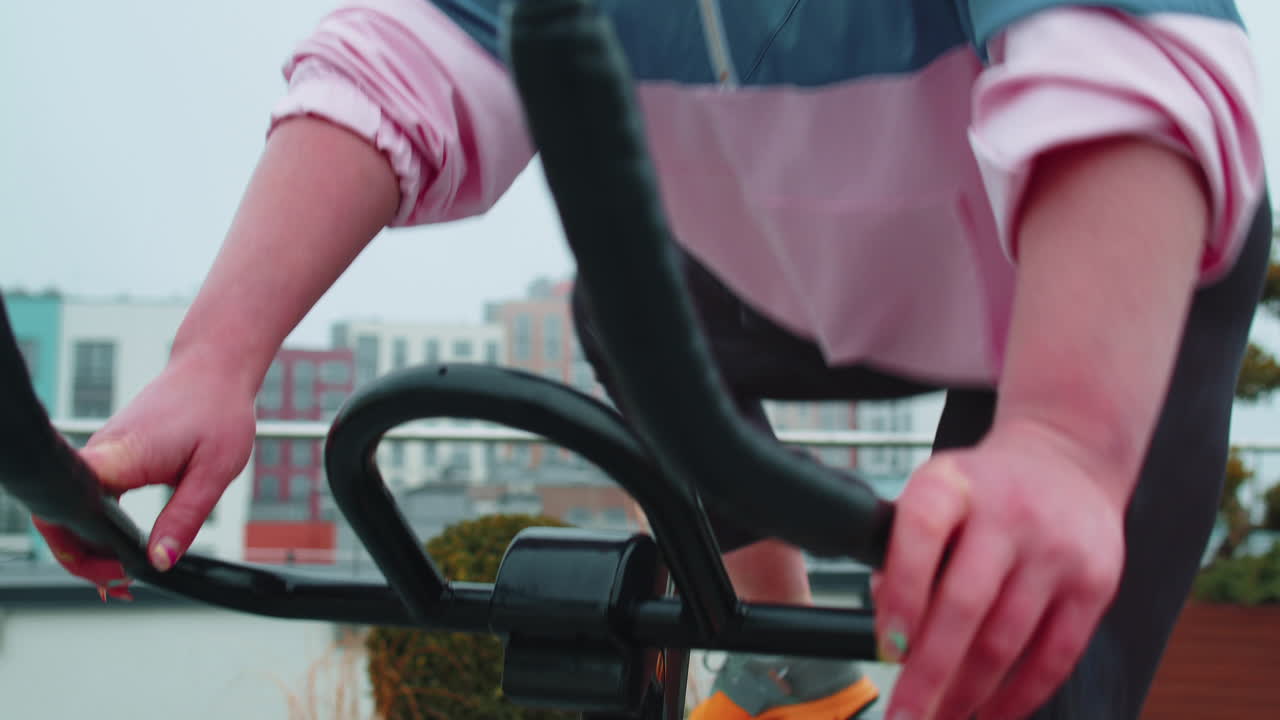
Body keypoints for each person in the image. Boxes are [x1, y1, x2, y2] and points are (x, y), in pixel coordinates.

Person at [33, 1, 1269, 719]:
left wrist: (1061, 440)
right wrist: (214, 354)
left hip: (1085, 279)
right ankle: (788, 661)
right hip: (783, 270)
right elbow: (409, 57)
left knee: (1018, 660)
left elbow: (1122, 60)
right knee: (623, 314)